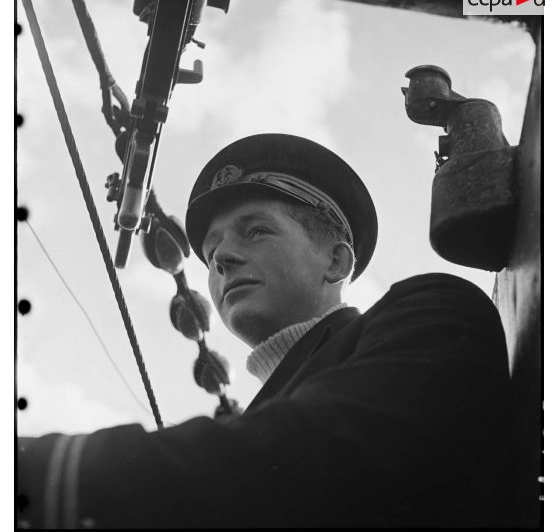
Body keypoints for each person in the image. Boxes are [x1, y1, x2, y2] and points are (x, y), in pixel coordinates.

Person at [17, 133, 513, 528]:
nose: (223, 259)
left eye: (256, 231)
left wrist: (52, 473)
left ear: (336, 259)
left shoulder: (434, 312)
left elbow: (321, 459)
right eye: (211, 253)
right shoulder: (262, 421)